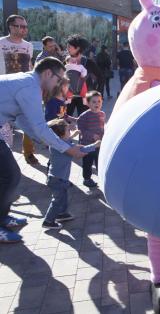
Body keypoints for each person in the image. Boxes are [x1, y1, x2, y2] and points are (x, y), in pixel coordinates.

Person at [0, 57, 86, 243]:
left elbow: (23, 121)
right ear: (48, 73)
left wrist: (49, 142)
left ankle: (2, 217)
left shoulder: (27, 83)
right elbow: (39, 127)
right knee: (10, 176)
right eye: (58, 79)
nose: (57, 84)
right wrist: (67, 149)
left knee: (10, 176)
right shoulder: (30, 88)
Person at [43, 119, 101, 229]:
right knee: (57, 200)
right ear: (61, 135)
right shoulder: (62, 147)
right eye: (68, 130)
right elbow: (81, 150)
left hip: (60, 178)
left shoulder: (58, 142)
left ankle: (62, 214)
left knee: (63, 197)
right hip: (57, 179)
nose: (70, 132)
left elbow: (67, 140)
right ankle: (48, 221)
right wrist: (95, 145)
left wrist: (73, 134)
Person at [1, 15, 38, 165]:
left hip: (22, 92)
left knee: (28, 121)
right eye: (21, 26)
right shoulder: (1, 43)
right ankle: (6, 160)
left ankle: (28, 152)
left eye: (25, 26)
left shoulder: (28, 46)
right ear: (11, 26)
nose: (24, 29)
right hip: (3, 92)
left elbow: (29, 67)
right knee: (5, 130)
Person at [77, 91, 105, 191]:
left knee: (99, 161)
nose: (97, 104)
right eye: (94, 102)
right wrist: (92, 135)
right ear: (88, 103)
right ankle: (87, 179)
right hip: (87, 144)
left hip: (98, 145)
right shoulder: (84, 116)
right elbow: (81, 129)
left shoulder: (102, 114)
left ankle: (101, 177)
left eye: (99, 101)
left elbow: (102, 128)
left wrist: (104, 135)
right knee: (87, 163)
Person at [65, 35, 90, 116]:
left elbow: (100, 77)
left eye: (69, 47)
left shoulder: (88, 62)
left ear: (77, 48)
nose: (67, 49)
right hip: (68, 96)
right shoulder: (65, 62)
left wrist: (93, 94)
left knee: (84, 120)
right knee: (64, 118)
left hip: (83, 97)